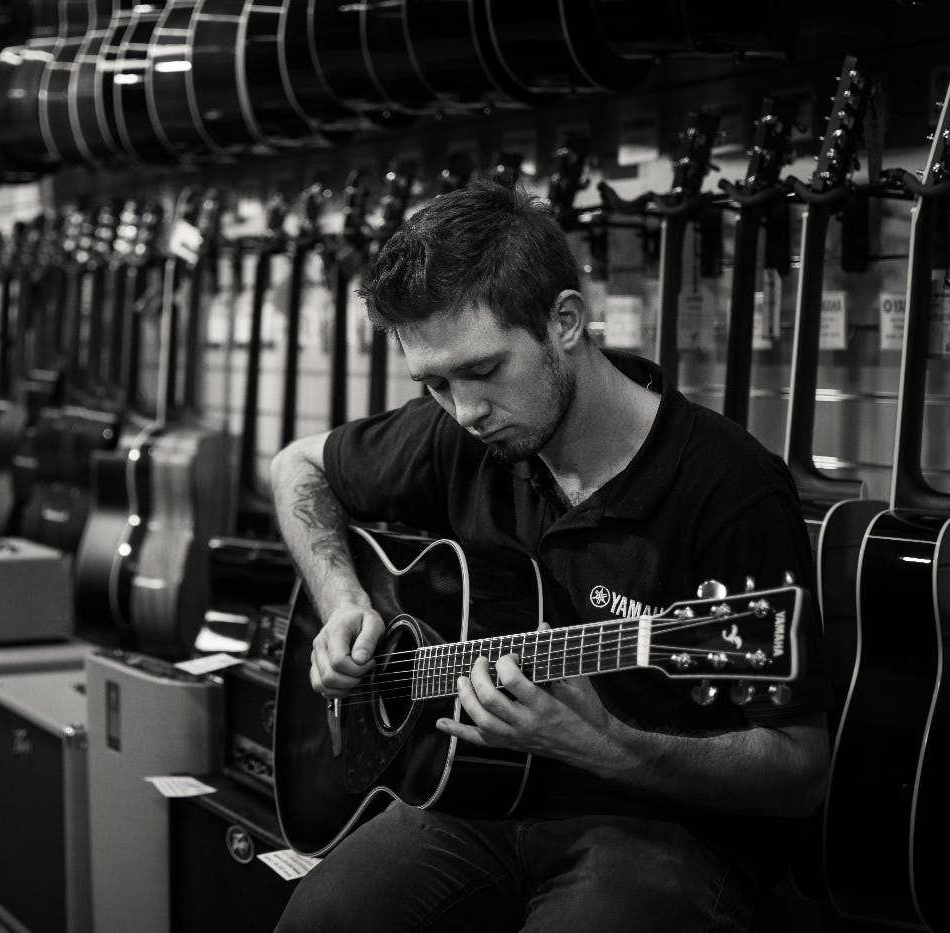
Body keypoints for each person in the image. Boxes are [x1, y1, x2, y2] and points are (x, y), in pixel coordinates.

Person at [267, 180, 831, 932]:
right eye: (434, 383)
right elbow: (297, 468)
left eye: (484, 371)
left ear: (565, 321)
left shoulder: (728, 488)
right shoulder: (462, 433)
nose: (465, 412)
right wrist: (345, 601)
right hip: (471, 800)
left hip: (658, 829)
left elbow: (799, 768)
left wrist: (612, 747)